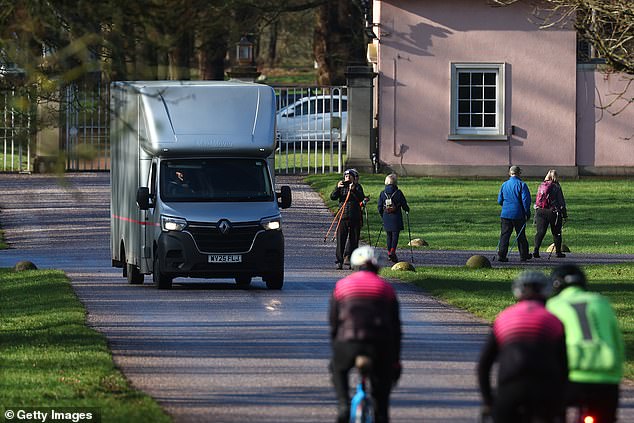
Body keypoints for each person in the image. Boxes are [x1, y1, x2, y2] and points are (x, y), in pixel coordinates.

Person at [477, 270, 568, 423]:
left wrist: (488, 400)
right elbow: (564, 365)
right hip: (544, 390)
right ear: (546, 292)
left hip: (510, 388)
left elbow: (484, 365)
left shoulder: (504, 317)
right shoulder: (552, 320)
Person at [329, 246, 402, 423]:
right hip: (379, 344)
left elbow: (334, 323)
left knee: (337, 369)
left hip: (348, 343)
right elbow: (396, 327)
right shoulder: (386, 289)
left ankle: (343, 405)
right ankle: (381, 413)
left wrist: (336, 346)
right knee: (382, 386)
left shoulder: (341, 287)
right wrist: (396, 360)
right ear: (378, 267)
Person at [547, 264, 624, 423]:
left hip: (571, 374)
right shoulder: (601, 302)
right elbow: (617, 341)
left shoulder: (553, 306)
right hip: (606, 373)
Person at [330, 168, 366, 269]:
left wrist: (353, 189)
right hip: (343, 216)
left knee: (354, 240)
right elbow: (332, 197)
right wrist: (337, 188)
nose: (347, 178)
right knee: (341, 240)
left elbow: (361, 198)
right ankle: (339, 261)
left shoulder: (358, 187)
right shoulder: (341, 187)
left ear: (354, 178)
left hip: (355, 217)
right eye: (346, 176)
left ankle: (352, 260)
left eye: (349, 176)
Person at [496, 165, 532, 262]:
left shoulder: (504, 184)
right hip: (518, 214)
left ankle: (502, 255)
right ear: (519, 173)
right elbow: (526, 201)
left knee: (504, 235)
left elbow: (499, 200)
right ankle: (523, 255)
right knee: (521, 235)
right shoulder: (522, 185)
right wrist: (527, 213)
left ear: (509, 173)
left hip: (505, 214)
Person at [533, 169, 568, 258]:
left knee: (540, 232)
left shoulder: (542, 185)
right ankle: (558, 252)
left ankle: (536, 251)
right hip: (553, 212)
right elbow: (561, 202)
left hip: (540, 211)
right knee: (556, 233)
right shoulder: (557, 186)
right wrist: (564, 214)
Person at [378, 173, 410, 263]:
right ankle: (392, 251)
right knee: (395, 235)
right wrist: (407, 210)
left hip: (386, 216)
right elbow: (404, 204)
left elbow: (379, 206)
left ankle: (389, 252)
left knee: (389, 235)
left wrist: (382, 215)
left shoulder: (382, 193)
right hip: (396, 217)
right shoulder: (398, 192)